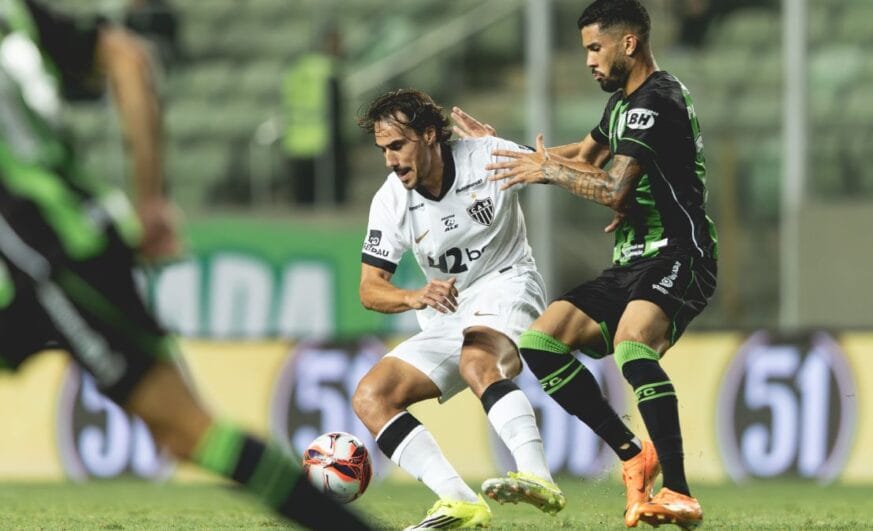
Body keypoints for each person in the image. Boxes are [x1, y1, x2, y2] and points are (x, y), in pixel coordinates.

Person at [0, 2, 367, 530]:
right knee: (188, 431)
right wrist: (150, 200)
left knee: (187, 431)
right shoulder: (17, 12)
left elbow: (126, 59)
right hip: (54, 243)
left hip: (51, 253)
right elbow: (127, 57)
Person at [453, 0, 717, 528]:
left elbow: (612, 185)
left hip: (678, 252)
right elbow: (587, 156)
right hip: (629, 262)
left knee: (633, 344)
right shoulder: (622, 105)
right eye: (585, 50)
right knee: (541, 343)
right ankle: (632, 453)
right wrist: (504, 151)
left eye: (595, 48)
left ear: (629, 43)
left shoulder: (656, 99)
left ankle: (681, 491)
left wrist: (545, 172)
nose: (589, 60)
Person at [354, 89, 565, 529]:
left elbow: (558, 166)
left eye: (398, 145)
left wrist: (608, 181)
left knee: (477, 360)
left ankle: (538, 476)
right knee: (372, 396)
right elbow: (371, 289)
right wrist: (414, 296)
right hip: (448, 310)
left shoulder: (486, 156)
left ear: (429, 135)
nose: (391, 160)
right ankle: (459, 501)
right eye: (383, 150)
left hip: (508, 283)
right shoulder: (391, 200)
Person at [281, 26, 347, 206]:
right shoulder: (328, 71)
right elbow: (336, 109)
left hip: (295, 137)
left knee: (302, 203)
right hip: (323, 138)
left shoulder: (297, 67)